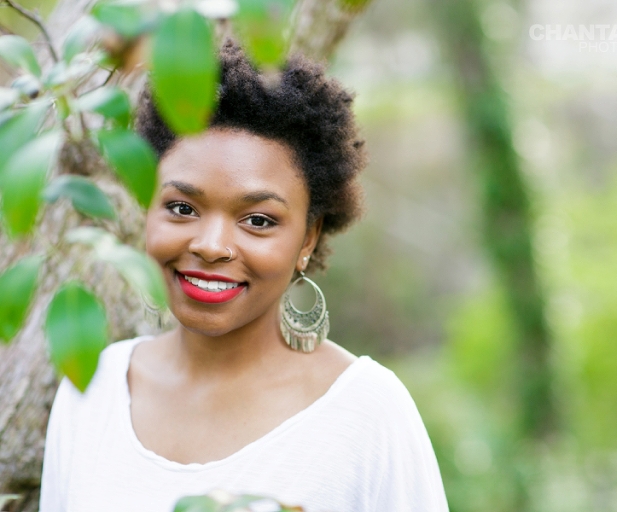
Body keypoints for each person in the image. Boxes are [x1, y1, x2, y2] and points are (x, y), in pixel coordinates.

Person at [39, 41, 448, 512]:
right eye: (181, 208)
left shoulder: (366, 413)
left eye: (258, 220)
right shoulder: (93, 389)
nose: (210, 245)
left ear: (308, 238)